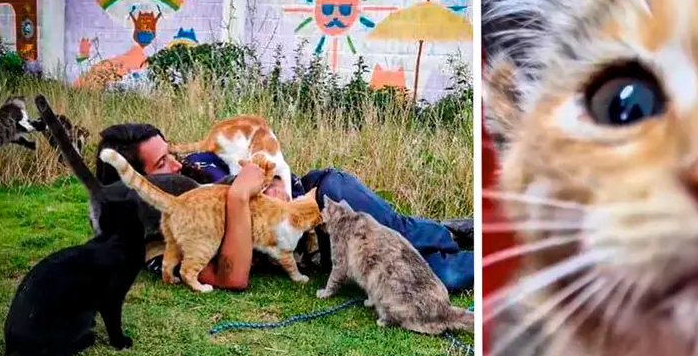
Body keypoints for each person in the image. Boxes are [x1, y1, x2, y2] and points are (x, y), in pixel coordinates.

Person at [93, 123, 474, 293]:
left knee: (404, 235)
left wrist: (269, 182)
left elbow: (265, 153)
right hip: (319, 239)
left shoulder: (195, 163)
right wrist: (241, 197)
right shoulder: (162, 238)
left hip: (322, 196)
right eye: (162, 165)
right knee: (434, 276)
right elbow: (231, 277)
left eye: (170, 154)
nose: (177, 165)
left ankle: (455, 234)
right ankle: (463, 240)